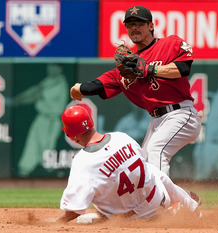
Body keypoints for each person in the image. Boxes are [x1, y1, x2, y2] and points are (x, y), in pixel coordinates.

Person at [70, 6, 202, 176]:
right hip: (156, 120)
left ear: (151, 26)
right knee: (144, 166)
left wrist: (148, 69)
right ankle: (186, 200)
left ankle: (165, 202)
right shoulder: (128, 67)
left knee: (156, 150)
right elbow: (98, 85)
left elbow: (183, 68)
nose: (134, 27)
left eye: (139, 23)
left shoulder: (170, 44)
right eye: (130, 24)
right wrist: (78, 88)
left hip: (181, 113)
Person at [51, 105, 201, 223]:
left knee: (102, 199)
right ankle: (190, 205)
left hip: (131, 218)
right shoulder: (122, 137)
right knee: (153, 171)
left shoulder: (83, 162)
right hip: (158, 199)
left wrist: (54, 222)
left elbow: (73, 210)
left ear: (70, 135)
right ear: (91, 123)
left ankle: (167, 215)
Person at [15, 63, 68, 176]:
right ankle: (24, 171)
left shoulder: (60, 83)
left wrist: (18, 101)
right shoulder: (49, 80)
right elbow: (35, 89)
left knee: (46, 149)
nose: (51, 68)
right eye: (50, 66)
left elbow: (37, 95)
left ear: (60, 69)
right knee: (32, 144)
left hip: (51, 120)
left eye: (54, 66)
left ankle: (54, 175)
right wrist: (18, 98)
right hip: (42, 117)